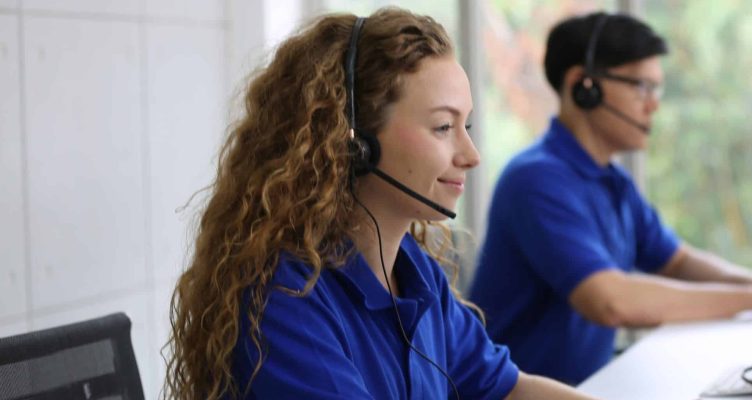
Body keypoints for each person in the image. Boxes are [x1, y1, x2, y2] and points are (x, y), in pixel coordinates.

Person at [164, 8, 598, 399]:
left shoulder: (414, 271)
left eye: (466, 125)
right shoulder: (287, 297)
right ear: (353, 143)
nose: (471, 154)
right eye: (444, 127)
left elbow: (507, 389)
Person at [469, 11, 752, 385]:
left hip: (588, 387)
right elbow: (611, 301)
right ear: (584, 86)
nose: (653, 105)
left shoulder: (612, 180)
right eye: (641, 87)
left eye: (656, 89)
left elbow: (678, 262)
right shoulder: (536, 179)